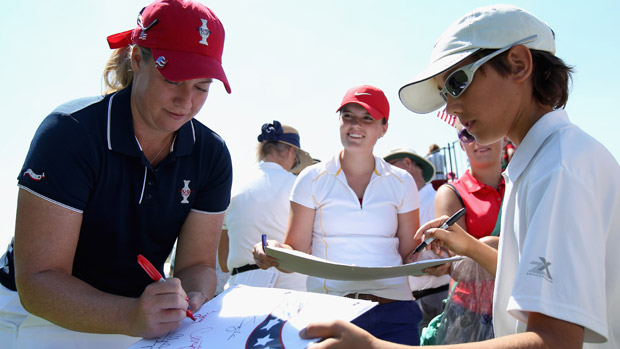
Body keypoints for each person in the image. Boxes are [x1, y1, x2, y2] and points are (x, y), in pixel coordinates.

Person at [301, 4, 619, 348]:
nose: (450, 107)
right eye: (444, 93)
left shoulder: (559, 166)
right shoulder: (546, 160)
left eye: (457, 82)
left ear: (518, 64)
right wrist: (471, 247)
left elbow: (556, 341)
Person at [0, 0, 233, 347]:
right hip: (34, 311)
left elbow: (197, 263)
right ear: (137, 59)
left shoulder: (211, 154)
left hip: (135, 318)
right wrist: (131, 316)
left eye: (202, 86)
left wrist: (193, 296)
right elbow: (38, 281)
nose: (187, 100)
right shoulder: (71, 133)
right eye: (173, 78)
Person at [253, 85, 423, 345]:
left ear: (383, 128)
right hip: (330, 311)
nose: (356, 125)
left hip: (394, 311)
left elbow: (411, 253)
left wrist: (436, 257)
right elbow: (295, 253)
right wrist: (274, 251)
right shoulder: (311, 178)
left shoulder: (402, 181)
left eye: (368, 118)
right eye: (348, 116)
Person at [428, 127, 505, 344]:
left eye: (485, 129)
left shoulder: (524, 182)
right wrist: (499, 247)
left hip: (520, 307)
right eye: (467, 134)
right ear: (461, 144)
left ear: (505, 134)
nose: (478, 139)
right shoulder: (450, 192)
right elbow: (459, 265)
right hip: (469, 317)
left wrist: (487, 245)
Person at [218, 120, 312, 291]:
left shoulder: (234, 187)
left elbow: (223, 262)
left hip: (240, 289)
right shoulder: (300, 187)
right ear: (291, 151)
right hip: (291, 290)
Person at [383, 148, 449, 331]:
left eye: (392, 166)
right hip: (416, 298)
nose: (389, 173)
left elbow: (445, 253)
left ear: (408, 163)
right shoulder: (411, 204)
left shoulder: (435, 200)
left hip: (436, 296)